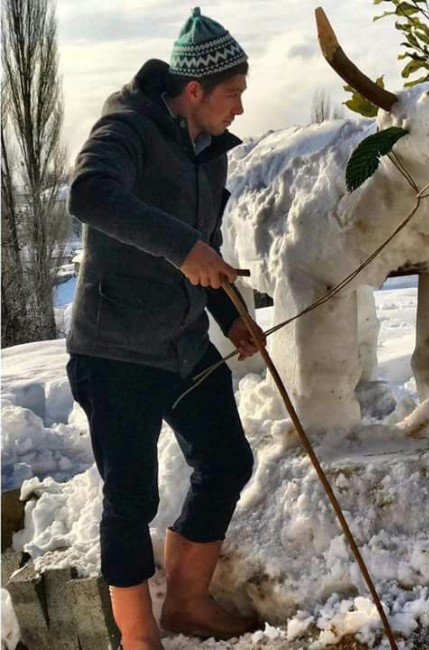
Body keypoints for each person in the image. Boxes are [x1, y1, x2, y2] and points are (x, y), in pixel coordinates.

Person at [66, 7, 265, 648]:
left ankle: (186, 604)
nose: (240, 108)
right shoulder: (126, 126)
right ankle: (137, 636)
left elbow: (204, 251)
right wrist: (184, 248)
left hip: (180, 345)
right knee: (131, 500)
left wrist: (233, 320)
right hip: (116, 351)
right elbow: (90, 193)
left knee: (227, 461)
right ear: (194, 90)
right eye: (232, 94)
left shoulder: (210, 153)